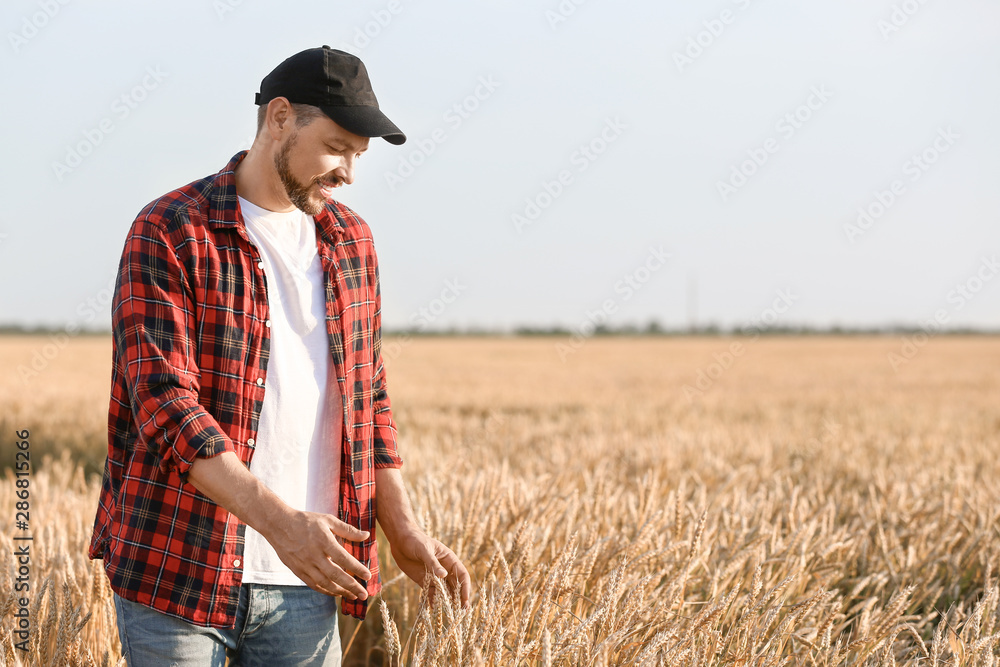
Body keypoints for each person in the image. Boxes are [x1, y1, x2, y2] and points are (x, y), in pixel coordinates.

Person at [88, 46, 470, 666]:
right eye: (338, 146)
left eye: (358, 156)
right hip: (179, 568)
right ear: (281, 117)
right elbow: (165, 404)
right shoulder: (171, 229)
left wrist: (402, 531)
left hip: (308, 583)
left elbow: (366, 400)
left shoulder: (352, 243)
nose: (348, 171)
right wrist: (283, 524)